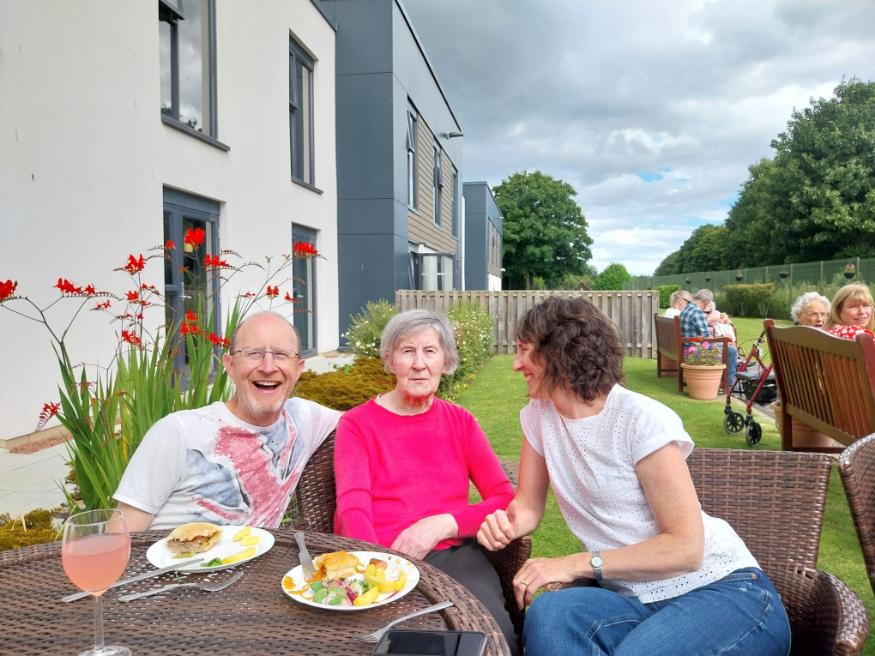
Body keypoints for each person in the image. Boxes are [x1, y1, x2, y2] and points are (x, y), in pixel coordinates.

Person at [477, 297, 790, 656]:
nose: (516, 365)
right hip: (633, 602)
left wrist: (576, 563)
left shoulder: (639, 419)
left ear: (559, 351)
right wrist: (506, 524)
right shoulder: (539, 416)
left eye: (524, 351)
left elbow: (686, 548)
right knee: (550, 615)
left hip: (724, 593)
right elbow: (529, 505)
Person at [333, 309, 518, 654]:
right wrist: (379, 565)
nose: (419, 364)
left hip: (454, 557)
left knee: (493, 635)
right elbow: (352, 506)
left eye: (430, 351)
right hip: (379, 557)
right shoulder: (357, 424)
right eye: (407, 351)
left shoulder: (460, 421)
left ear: (446, 361)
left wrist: (442, 524)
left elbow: (504, 496)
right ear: (389, 361)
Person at [113, 311, 341, 531]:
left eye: (281, 355)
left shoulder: (304, 418)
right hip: (166, 566)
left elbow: (369, 418)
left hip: (257, 567)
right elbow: (120, 535)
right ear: (230, 365)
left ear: (298, 368)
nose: (268, 367)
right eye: (253, 353)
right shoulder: (178, 432)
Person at [680, 288, 737, 386]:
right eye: (709, 303)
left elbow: (700, 336)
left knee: (725, 345)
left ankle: (724, 380)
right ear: (706, 301)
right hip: (694, 350)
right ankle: (728, 382)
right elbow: (706, 338)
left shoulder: (687, 308)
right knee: (732, 350)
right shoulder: (698, 312)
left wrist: (718, 339)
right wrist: (722, 339)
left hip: (687, 344)